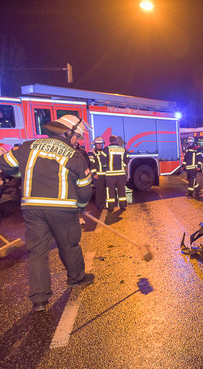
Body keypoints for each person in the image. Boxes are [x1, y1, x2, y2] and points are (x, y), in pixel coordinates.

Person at [0, 114, 94, 312]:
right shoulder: (73, 155)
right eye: (77, 136)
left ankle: (39, 300)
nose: (77, 141)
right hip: (63, 210)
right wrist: (81, 206)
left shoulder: (27, 146)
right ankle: (76, 278)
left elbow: (5, 163)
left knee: (37, 253)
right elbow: (85, 187)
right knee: (69, 245)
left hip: (33, 209)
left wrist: (23, 172)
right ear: (67, 133)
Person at [100, 135, 129, 211]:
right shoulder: (122, 149)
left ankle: (111, 207)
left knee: (110, 191)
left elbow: (102, 159)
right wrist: (124, 165)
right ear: (116, 140)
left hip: (110, 175)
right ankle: (123, 206)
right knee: (121, 190)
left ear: (110, 140)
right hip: (121, 174)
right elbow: (127, 158)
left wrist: (105, 166)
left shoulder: (106, 149)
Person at [88, 137, 107, 210]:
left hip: (105, 174)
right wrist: (94, 174)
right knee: (99, 190)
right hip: (98, 175)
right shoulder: (91, 152)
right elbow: (91, 164)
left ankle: (104, 203)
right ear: (95, 144)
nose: (99, 145)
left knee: (105, 190)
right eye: (98, 144)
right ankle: (100, 205)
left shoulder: (104, 151)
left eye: (100, 144)